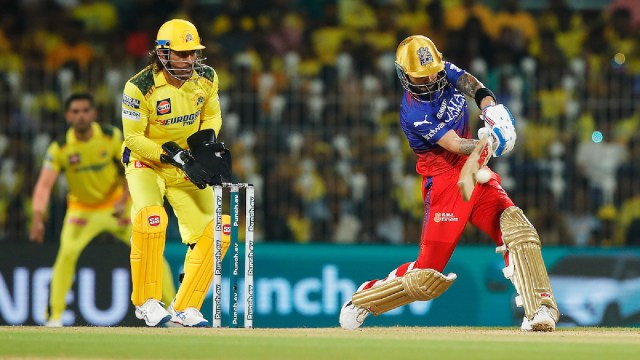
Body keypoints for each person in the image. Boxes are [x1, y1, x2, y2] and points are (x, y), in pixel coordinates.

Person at [339, 35, 559, 332]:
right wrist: (489, 140)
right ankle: (366, 298)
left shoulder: (441, 69)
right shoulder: (414, 112)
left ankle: (539, 309)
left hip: (475, 174)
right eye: (421, 77)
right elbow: (455, 144)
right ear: (404, 75)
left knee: (517, 229)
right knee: (426, 277)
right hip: (445, 185)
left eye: (433, 72)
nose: (430, 79)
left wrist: (490, 109)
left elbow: (475, 86)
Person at [30, 92, 176, 327]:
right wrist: (37, 217)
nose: (81, 116)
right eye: (75, 112)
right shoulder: (61, 147)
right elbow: (44, 185)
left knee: (151, 250)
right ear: (68, 116)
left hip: (116, 206)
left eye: (85, 110)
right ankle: (55, 317)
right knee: (66, 254)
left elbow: (132, 166)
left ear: (94, 114)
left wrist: (125, 199)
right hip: (81, 210)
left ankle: (172, 312)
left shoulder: (110, 137)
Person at [121, 18, 231, 327]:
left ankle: (185, 307)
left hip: (186, 164)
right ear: (162, 53)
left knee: (220, 229)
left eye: (193, 53)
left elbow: (212, 115)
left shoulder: (207, 78)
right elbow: (133, 138)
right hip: (147, 162)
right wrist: (173, 155)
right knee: (151, 220)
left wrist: (206, 147)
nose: (189, 60)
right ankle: (146, 302)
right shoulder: (139, 86)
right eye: (181, 54)